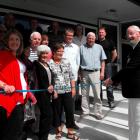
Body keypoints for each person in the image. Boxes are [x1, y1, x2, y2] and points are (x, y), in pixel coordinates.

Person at [104, 25, 140, 140]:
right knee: (133, 121)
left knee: (137, 122)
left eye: (131, 33)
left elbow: (130, 69)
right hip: (132, 92)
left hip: (138, 93)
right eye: (127, 34)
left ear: (139, 34)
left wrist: (112, 79)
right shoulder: (133, 49)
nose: (128, 36)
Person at [0, 29, 36, 140]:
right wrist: (4, 86)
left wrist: (29, 93)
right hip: (7, 101)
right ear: (6, 41)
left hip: (20, 100)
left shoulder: (18, 59)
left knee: (16, 132)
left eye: (17, 39)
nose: (14, 42)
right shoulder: (2, 55)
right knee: (8, 134)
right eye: (11, 39)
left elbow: (22, 80)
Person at [49, 43, 80, 140]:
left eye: (62, 51)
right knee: (57, 112)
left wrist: (73, 88)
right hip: (56, 92)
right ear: (54, 52)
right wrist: (53, 90)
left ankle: (70, 131)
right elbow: (49, 79)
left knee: (70, 111)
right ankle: (58, 131)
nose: (61, 53)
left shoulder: (66, 61)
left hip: (67, 90)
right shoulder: (49, 63)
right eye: (59, 51)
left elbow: (71, 75)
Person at [79, 32, 106, 120]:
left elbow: (103, 61)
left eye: (92, 38)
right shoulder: (81, 48)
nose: (90, 40)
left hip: (96, 73)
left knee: (97, 94)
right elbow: (78, 62)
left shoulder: (99, 47)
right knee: (84, 94)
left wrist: (102, 73)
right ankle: (85, 111)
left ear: (95, 39)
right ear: (86, 39)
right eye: (89, 38)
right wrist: (79, 73)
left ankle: (98, 113)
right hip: (84, 73)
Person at [33, 45, 53, 140]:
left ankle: (43, 136)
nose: (45, 55)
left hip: (48, 94)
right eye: (43, 53)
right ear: (39, 54)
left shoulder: (47, 64)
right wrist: (46, 87)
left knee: (46, 116)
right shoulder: (36, 64)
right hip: (41, 94)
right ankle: (43, 137)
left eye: (46, 53)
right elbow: (39, 80)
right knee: (47, 116)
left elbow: (49, 78)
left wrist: (52, 87)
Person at [63, 28, 80, 129]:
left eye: (71, 36)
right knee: (61, 100)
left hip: (73, 78)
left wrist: (75, 73)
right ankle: (61, 121)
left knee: (72, 101)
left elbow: (78, 62)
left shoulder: (76, 47)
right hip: (62, 78)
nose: (70, 37)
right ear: (64, 36)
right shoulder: (60, 46)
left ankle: (71, 121)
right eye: (68, 35)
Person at [97, 27, 117, 108]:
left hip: (107, 64)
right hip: (98, 66)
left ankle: (111, 101)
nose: (101, 34)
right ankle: (99, 101)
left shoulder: (110, 42)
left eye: (102, 32)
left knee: (108, 83)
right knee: (98, 84)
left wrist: (110, 62)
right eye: (99, 32)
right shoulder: (96, 43)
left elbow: (115, 54)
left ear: (105, 33)